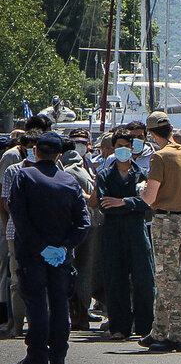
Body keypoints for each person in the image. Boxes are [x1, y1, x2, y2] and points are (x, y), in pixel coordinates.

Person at [9, 131, 90, 364]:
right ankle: (58, 355)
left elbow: (20, 218)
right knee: (59, 304)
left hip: (32, 253)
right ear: (60, 156)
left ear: (35, 151)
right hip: (61, 256)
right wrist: (64, 247)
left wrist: (41, 247)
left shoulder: (24, 176)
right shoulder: (69, 182)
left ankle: (36, 354)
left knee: (36, 305)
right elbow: (83, 222)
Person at [137, 111, 181, 353]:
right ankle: (159, 330)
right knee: (167, 276)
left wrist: (142, 190)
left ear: (152, 134)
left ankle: (179, 333)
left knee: (167, 279)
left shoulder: (159, 157)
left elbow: (150, 197)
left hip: (166, 221)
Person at [96, 128, 155, 340]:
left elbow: (148, 202)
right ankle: (119, 327)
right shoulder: (104, 175)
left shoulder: (141, 174)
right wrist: (132, 204)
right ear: (113, 148)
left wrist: (123, 202)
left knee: (144, 279)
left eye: (126, 146)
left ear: (133, 148)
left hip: (137, 231)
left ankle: (145, 327)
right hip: (112, 232)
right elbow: (104, 205)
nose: (123, 150)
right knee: (115, 279)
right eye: (118, 146)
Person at [0, 129, 42, 340]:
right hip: (16, 232)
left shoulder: (52, 169)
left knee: (45, 279)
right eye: (32, 148)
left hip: (45, 234)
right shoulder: (13, 171)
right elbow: (6, 202)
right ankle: (17, 324)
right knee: (17, 281)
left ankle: (42, 325)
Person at [61, 131, 104, 332]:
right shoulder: (81, 167)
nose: (81, 145)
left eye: (83, 142)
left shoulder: (74, 169)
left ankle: (79, 313)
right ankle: (80, 312)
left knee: (79, 270)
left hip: (80, 225)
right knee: (83, 270)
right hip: (87, 224)